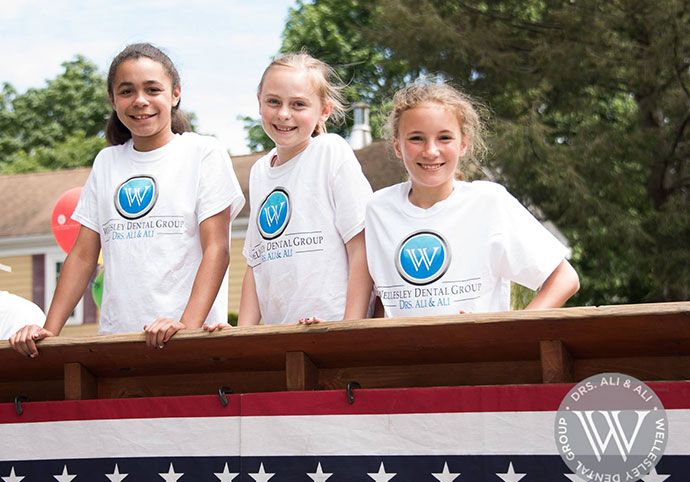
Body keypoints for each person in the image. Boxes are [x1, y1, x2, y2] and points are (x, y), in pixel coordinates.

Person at [10, 43, 244, 357]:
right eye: (127, 91)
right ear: (113, 100)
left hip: (190, 342)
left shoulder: (203, 153)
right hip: (119, 344)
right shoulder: (107, 163)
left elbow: (217, 248)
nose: (140, 101)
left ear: (175, 94)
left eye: (152, 89)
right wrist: (49, 331)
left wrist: (186, 328)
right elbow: (82, 256)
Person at [365, 81, 579, 317]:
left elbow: (564, 278)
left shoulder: (489, 202)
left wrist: (511, 332)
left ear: (464, 144)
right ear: (397, 146)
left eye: (444, 138)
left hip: (479, 353)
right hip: (403, 353)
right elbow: (379, 300)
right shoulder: (378, 209)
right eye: (416, 138)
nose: (431, 151)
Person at [236, 53, 373, 325]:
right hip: (282, 335)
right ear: (259, 102)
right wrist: (242, 337)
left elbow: (362, 248)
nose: (283, 114)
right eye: (273, 101)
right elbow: (256, 263)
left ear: (324, 110)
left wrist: (350, 327)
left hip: (331, 330)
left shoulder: (330, 152)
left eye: (298, 104)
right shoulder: (259, 171)